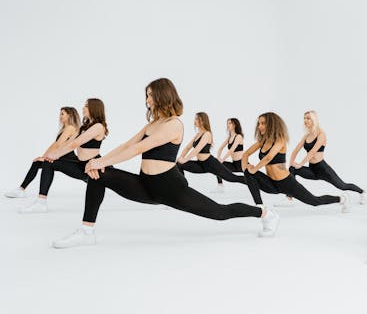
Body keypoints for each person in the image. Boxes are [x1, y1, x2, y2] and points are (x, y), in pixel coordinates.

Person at [52, 78, 279, 249]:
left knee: (220, 213)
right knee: (98, 175)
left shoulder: (173, 124)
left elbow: (138, 149)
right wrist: (99, 163)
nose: (147, 100)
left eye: (150, 95)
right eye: (147, 96)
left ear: (162, 96)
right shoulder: (154, 123)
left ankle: (265, 214)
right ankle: (86, 231)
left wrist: (100, 160)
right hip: (145, 185)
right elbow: (127, 144)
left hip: (171, 189)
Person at [243, 112, 350, 212]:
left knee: (314, 201)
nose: (259, 126)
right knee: (248, 172)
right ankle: (260, 207)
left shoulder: (280, 139)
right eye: (259, 123)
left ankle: (341, 199)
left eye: (263, 123)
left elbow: (268, 158)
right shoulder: (262, 141)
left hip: (286, 182)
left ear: (271, 125)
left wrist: (255, 168)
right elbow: (246, 154)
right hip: (272, 183)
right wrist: (246, 167)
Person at [19, 99, 108, 213]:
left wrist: (53, 156)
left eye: (86, 106)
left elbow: (75, 144)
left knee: (119, 186)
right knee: (48, 164)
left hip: (93, 166)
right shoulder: (83, 127)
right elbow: (69, 143)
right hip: (81, 166)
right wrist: (48, 157)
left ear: (94, 108)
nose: (83, 108)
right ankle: (41, 202)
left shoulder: (98, 127)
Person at [281, 110, 366, 207]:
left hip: (323, 169)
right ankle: (289, 197)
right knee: (292, 169)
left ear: (314, 119)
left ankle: (362, 192)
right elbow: (295, 151)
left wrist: (300, 164)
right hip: (312, 169)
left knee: (342, 185)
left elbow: (313, 152)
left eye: (308, 118)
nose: (305, 120)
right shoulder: (306, 136)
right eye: (304, 118)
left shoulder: (321, 134)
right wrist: (291, 162)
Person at [5, 107, 80, 199]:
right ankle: (21, 190)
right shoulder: (65, 128)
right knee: (37, 162)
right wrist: (43, 156)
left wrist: (44, 157)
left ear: (70, 115)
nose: (60, 116)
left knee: (40, 163)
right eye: (60, 114)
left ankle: (23, 190)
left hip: (67, 159)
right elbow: (54, 144)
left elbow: (58, 144)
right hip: (59, 157)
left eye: (62, 114)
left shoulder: (70, 128)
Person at [177, 112, 246, 193]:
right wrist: (181, 157)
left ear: (202, 121)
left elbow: (197, 150)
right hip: (200, 164)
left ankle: (253, 183)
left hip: (210, 164)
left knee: (232, 178)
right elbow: (187, 147)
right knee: (179, 164)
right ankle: (182, 190)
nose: (194, 121)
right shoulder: (198, 135)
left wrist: (186, 159)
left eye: (196, 119)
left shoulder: (207, 134)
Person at [212, 118, 245, 193]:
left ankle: (258, 187)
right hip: (234, 164)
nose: (228, 125)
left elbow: (231, 150)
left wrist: (222, 159)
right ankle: (220, 187)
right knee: (216, 166)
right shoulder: (229, 137)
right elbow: (220, 148)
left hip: (241, 163)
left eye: (230, 123)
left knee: (250, 177)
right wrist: (218, 158)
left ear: (234, 125)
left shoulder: (239, 136)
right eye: (227, 123)